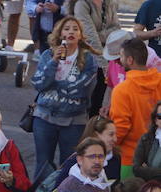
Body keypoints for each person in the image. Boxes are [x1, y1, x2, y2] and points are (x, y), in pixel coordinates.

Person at [30, 17, 99, 174]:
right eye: (67, 29)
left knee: (69, 166)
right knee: (42, 165)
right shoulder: (48, 55)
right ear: (60, 34)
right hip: (44, 118)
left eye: (75, 29)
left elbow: (81, 90)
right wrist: (54, 62)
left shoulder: (89, 60)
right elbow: (38, 83)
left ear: (80, 35)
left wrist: (53, 85)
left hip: (74, 121)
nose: (71, 32)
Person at [110, 38, 161, 178]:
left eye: (121, 56)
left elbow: (120, 127)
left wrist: (110, 146)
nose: (120, 60)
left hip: (131, 158)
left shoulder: (122, 90)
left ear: (130, 60)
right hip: (158, 157)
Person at [70, 0, 119, 116]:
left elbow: (117, 29)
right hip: (86, 58)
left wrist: (99, 35)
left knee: (100, 98)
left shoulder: (109, 3)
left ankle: (93, 127)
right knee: (85, 99)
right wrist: (103, 63)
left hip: (107, 55)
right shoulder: (81, 4)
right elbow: (89, 37)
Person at [133, 101, 161, 181]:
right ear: (155, 120)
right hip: (147, 188)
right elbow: (136, 169)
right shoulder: (145, 138)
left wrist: (146, 170)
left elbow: (141, 170)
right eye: (160, 117)